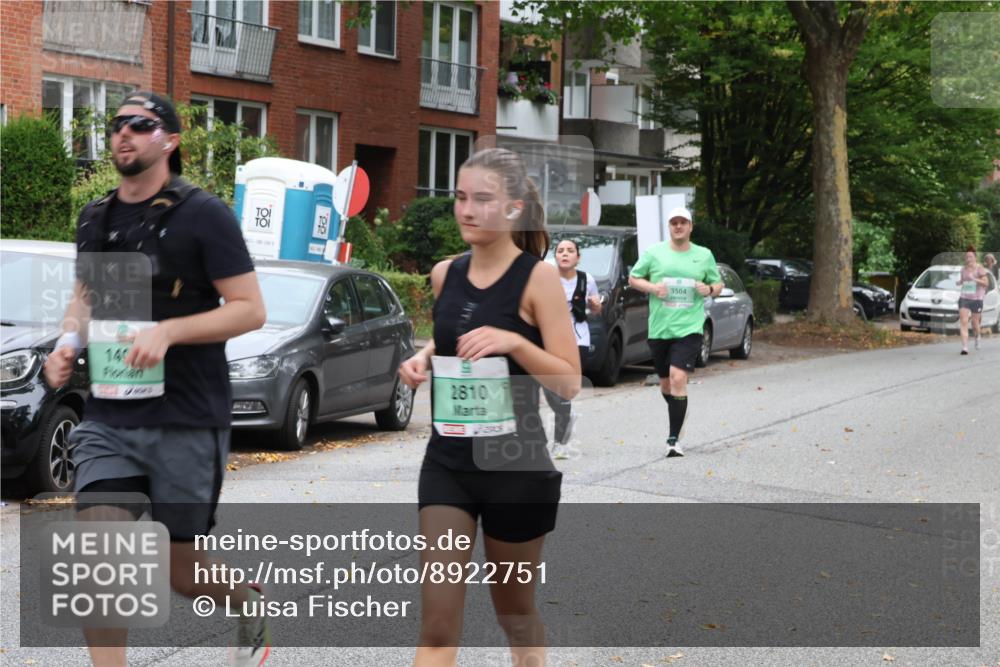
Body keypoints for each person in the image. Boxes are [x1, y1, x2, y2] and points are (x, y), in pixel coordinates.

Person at [42, 92, 269, 667]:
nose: (124, 133)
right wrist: (67, 344)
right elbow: (86, 297)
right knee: (99, 557)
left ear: (170, 141)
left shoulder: (203, 215)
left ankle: (245, 603)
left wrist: (169, 332)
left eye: (141, 125)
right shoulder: (95, 218)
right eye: (118, 124)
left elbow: (250, 310)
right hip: (110, 418)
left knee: (181, 571)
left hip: (187, 417)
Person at [397, 148, 581, 666]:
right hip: (448, 464)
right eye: (460, 197)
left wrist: (514, 342)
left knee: (515, 614)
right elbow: (456, 334)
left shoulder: (537, 279)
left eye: (482, 199)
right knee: (437, 625)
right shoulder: (444, 274)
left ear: (513, 208)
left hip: (516, 468)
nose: (467, 210)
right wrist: (424, 356)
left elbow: (569, 381)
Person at [627, 206, 722, 457]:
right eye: (674, 223)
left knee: (678, 378)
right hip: (660, 328)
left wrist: (709, 289)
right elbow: (633, 278)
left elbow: (718, 283)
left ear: (690, 227)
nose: (678, 226)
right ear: (669, 227)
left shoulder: (704, 255)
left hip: (690, 328)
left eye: (683, 222)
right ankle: (679, 410)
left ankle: (673, 440)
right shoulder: (654, 253)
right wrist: (653, 288)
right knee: (666, 385)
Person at [544, 238, 601, 459]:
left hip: (578, 340)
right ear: (555, 256)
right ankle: (566, 413)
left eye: (570, 250)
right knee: (549, 387)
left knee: (563, 390)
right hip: (551, 339)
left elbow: (595, 308)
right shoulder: (547, 279)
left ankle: (560, 444)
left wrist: (595, 305)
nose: (565, 254)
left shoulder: (587, 279)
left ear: (578, 257)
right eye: (560, 251)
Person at [957, 246, 989, 354]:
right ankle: (965, 347)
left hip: (977, 298)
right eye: (967, 256)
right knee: (963, 321)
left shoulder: (979, 269)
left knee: (975, 323)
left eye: (970, 256)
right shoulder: (963, 269)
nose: (968, 258)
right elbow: (962, 281)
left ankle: (977, 336)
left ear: (975, 257)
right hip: (964, 297)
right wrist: (959, 283)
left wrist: (974, 279)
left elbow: (986, 283)